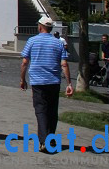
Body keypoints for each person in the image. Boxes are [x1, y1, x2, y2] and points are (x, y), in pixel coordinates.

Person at [20, 16, 73, 152]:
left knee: (41, 109)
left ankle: (44, 140)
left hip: (38, 81)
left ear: (40, 26)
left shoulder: (32, 41)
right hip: (53, 81)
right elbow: (64, 64)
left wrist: (22, 79)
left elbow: (25, 62)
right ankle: (50, 137)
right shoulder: (58, 43)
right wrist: (69, 83)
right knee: (52, 110)